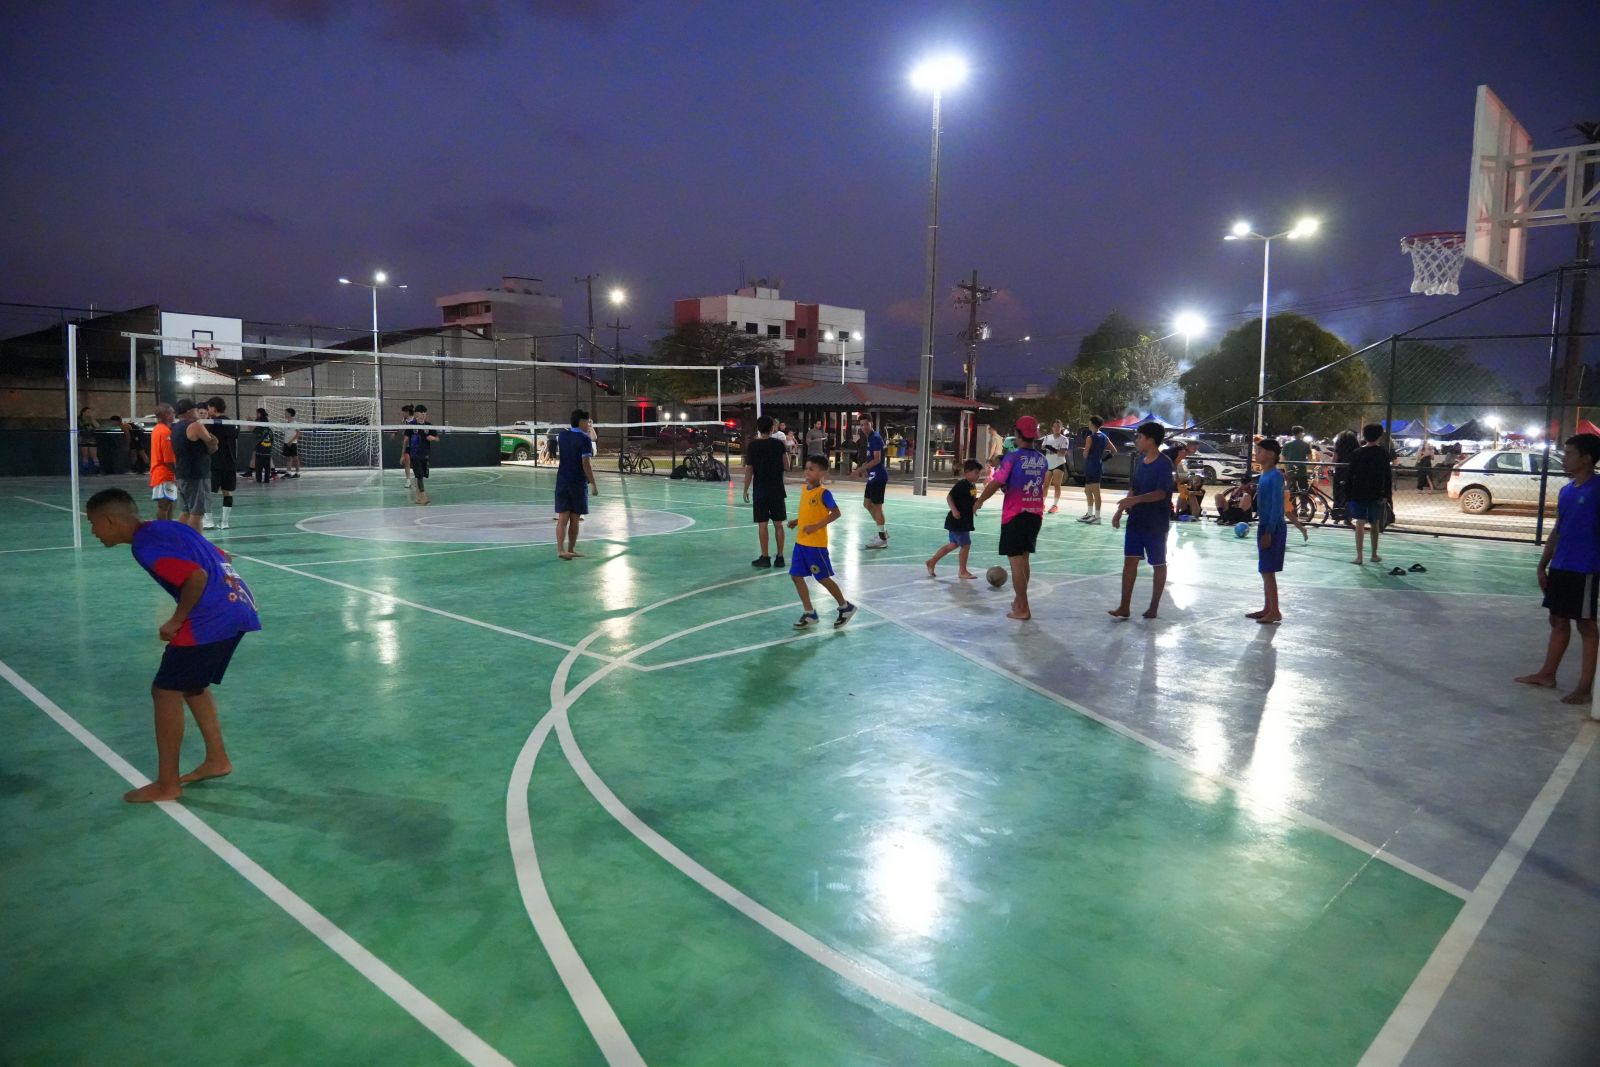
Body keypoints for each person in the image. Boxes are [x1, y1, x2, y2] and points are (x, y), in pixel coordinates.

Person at [84, 487, 260, 803]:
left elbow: (195, 576)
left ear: (109, 520)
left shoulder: (144, 545)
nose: (93, 532)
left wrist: (176, 620)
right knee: (192, 686)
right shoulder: (168, 527)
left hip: (212, 616)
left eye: (93, 524)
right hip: (240, 606)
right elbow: (223, 556)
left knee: (165, 691)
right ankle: (217, 760)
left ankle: (168, 784)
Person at [1515, 433, 1600, 704]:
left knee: (1586, 625)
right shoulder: (1567, 490)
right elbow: (1558, 531)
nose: (1564, 459)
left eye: (1569, 454)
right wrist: (1543, 565)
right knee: (1558, 620)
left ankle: (1585, 687)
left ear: (1586, 459)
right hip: (1562, 565)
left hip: (1586, 568)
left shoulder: (1598, 489)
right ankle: (1547, 674)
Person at [977, 416, 1049, 620]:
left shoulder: (1012, 458)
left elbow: (996, 483)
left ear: (1017, 434)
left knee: (1016, 562)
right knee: (1024, 559)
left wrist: (979, 500)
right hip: (1035, 514)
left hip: (1015, 514)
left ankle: (1023, 608)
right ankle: (1020, 601)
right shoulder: (1042, 459)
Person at [1109, 422, 1176, 620]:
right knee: (1129, 561)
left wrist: (1135, 500)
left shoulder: (1164, 464)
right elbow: (1134, 488)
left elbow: (1160, 493)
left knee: (1158, 563)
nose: (1137, 441)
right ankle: (1124, 606)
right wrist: (1121, 510)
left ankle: (1154, 606)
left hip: (1155, 523)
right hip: (1136, 520)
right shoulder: (1140, 461)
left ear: (1151, 440)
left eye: (1140, 437)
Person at [786, 455, 855, 629]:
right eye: (806, 468)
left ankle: (845, 607)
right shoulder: (805, 489)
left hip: (815, 546)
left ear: (822, 472)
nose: (807, 472)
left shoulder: (824, 493)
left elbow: (836, 513)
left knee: (822, 578)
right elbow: (809, 512)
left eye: (812, 469)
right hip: (801, 543)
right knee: (796, 576)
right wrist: (798, 521)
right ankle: (810, 613)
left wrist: (816, 526)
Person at [1249, 438, 1309, 625]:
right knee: (1264, 570)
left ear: (1271, 454)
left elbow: (1277, 507)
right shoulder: (1264, 475)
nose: (1256, 454)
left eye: (1259, 451)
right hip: (1265, 526)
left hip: (1272, 528)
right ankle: (1268, 608)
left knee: (1268, 571)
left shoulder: (1275, 477)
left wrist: (1269, 532)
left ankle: (1275, 611)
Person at [743, 414, 788, 568]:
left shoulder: (753, 446)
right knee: (778, 524)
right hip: (776, 488)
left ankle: (765, 557)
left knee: (762, 524)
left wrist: (745, 489)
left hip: (760, 489)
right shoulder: (779, 444)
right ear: (772, 428)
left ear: (759, 428)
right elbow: (787, 465)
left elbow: (749, 469)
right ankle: (780, 557)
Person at [927, 459, 984, 579]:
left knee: (953, 544)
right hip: (958, 521)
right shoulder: (962, 484)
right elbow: (949, 497)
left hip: (963, 520)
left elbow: (969, 500)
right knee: (966, 544)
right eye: (976, 473)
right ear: (967, 472)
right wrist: (954, 510)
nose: (978, 476)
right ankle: (962, 571)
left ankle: (932, 562)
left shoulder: (972, 486)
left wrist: (975, 506)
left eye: (979, 473)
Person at [555, 408, 599, 560]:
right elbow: (586, 464)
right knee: (574, 518)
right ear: (581, 422)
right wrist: (593, 484)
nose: (589, 424)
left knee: (562, 517)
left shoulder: (562, 435)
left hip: (562, 480)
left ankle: (562, 550)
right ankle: (570, 549)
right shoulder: (584, 440)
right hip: (577, 483)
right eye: (587, 421)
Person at [1347, 423, 1392, 565]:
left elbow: (1350, 475)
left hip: (1358, 492)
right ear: (1379, 436)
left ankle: (1359, 556)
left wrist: (1348, 494)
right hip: (1376, 493)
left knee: (1359, 523)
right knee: (1375, 523)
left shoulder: (1357, 453)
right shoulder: (1383, 453)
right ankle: (1374, 554)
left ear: (1364, 436)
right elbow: (1387, 475)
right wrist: (1387, 495)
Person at [173, 399, 217, 532]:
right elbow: (213, 446)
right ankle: (197, 545)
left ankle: (177, 539)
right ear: (190, 411)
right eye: (197, 410)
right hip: (196, 475)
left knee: (186, 512)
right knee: (197, 514)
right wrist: (213, 441)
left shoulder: (175, 427)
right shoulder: (195, 426)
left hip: (182, 473)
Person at [203, 398, 239, 530]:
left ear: (213, 408)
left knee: (209, 492)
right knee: (228, 492)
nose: (207, 411)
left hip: (215, 463)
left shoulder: (211, 423)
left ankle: (208, 521)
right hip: (230, 463)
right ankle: (224, 523)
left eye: (208, 408)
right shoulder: (232, 423)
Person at [854, 415, 889, 549]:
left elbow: (877, 459)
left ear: (871, 424)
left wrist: (861, 469)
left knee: (877, 507)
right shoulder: (869, 438)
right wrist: (864, 465)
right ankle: (882, 532)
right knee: (867, 504)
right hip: (873, 476)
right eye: (861, 425)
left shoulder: (875, 437)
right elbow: (871, 458)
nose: (863, 427)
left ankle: (882, 538)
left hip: (879, 476)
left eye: (865, 424)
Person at [1080, 415, 1116, 524]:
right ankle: (1090, 514)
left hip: (1091, 466)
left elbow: (1085, 454)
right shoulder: (1104, 437)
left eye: (1089, 422)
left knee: (1095, 492)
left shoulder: (1090, 438)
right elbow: (1114, 451)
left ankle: (1098, 517)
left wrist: (1085, 452)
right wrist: (1102, 459)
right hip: (1097, 466)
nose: (1088, 424)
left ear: (1093, 424)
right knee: (1087, 491)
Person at [148, 403, 178, 521]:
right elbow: (168, 458)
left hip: (161, 473)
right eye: (171, 412)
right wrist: (177, 473)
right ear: (166, 415)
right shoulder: (165, 432)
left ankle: (166, 530)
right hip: (165, 474)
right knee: (165, 506)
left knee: (169, 505)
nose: (173, 415)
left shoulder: (157, 429)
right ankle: (162, 532)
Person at [407, 404, 440, 505]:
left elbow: (438, 438)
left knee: (420, 476)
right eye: (421, 413)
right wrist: (403, 454)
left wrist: (433, 438)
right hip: (414, 454)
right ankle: (424, 497)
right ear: (416, 414)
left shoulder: (429, 425)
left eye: (425, 413)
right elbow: (406, 440)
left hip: (425, 455)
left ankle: (418, 498)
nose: (423, 415)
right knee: (420, 475)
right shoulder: (411, 425)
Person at [1040, 419, 1073, 514]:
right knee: (1045, 485)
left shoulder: (1064, 439)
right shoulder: (1047, 437)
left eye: (1059, 427)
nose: (1057, 428)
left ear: (1061, 428)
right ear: (1052, 428)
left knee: (1057, 485)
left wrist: (1050, 447)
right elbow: (1043, 447)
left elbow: (1062, 453)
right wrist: (1046, 447)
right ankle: (1042, 504)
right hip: (1048, 464)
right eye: (1055, 426)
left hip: (1059, 464)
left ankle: (1055, 505)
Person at [1331, 428, 1359, 522]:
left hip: (1340, 472)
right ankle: (1348, 517)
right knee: (1349, 496)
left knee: (1338, 494)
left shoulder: (1338, 447)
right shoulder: (1357, 449)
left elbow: (1334, 460)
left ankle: (1337, 515)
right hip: (1352, 474)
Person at [1281, 425, 1312, 494]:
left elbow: (1283, 458)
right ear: (1301, 433)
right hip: (1302, 470)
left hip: (1290, 470)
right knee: (1304, 491)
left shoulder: (1287, 444)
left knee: (1291, 492)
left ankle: (1293, 504)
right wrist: (1309, 468)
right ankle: (1304, 504)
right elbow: (1310, 458)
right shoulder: (1305, 444)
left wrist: (1286, 470)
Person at [250, 408, 274, 483]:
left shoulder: (259, 428)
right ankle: (267, 480)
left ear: (259, 414)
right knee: (267, 467)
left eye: (256, 413)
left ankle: (259, 480)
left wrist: (250, 421)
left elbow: (251, 430)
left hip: (260, 451)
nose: (256, 415)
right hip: (268, 451)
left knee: (259, 467)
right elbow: (272, 440)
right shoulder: (270, 430)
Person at [78, 404, 100, 475]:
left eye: (90, 412)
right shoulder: (79, 420)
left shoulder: (91, 420)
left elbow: (97, 426)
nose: (89, 413)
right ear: (83, 412)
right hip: (83, 438)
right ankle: (86, 470)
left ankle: (97, 470)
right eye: (87, 412)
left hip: (91, 438)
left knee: (94, 455)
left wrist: (92, 419)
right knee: (85, 455)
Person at [398, 404, 416, 486]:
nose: (403, 414)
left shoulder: (416, 420)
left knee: (416, 462)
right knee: (406, 461)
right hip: (407, 442)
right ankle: (408, 481)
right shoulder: (404, 421)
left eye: (403, 412)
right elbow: (402, 430)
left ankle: (417, 478)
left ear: (407, 412)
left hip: (416, 443)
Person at [282, 407, 301, 478]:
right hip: (286, 442)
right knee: (288, 458)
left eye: (286, 412)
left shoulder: (295, 423)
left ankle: (297, 473)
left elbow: (298, 433)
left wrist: (291, 441)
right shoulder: (286, 423)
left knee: (295, 458)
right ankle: (288, 473)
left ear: (290, 414)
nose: (284, 414)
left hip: (292, 443)